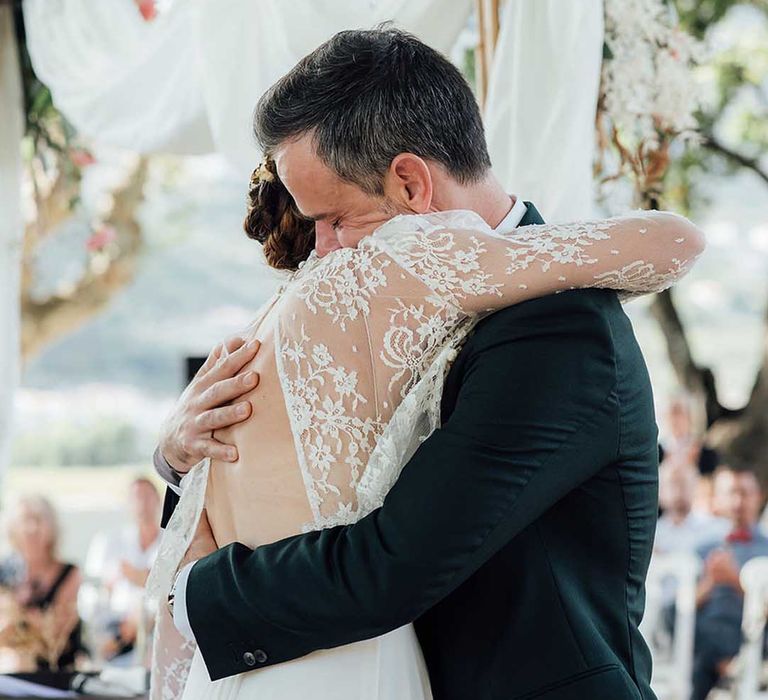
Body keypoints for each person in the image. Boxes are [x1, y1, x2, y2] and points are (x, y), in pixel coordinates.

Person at [149, 28, 705, 700]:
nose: (322, 252)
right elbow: (310, 493)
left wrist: (191, 596)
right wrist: (183, 460)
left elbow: (396, 563)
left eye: (335, 220)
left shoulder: (557, 329)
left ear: (410, 182)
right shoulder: (379, 306)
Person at [691, 468, 768, 700]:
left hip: (752, 646)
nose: (738, 501)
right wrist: (708, 584)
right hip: (702, 650)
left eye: (745, 493)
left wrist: (736, 580)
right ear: (717, 498)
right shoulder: (701, 548)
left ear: (759, 496)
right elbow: (675, 612)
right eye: (731, 493)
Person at [0, 495, 82, 672]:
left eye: (38, 519)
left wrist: (17, 617)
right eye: (25, 520)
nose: (32, 528)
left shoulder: (69, 573)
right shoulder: (4, 572)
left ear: (51, 527)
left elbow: (55, 635)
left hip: (57, 673)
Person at [85, 477, 160, 661]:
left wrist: (137, 576)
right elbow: (94, 589)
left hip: (157, 626)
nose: (142, 503)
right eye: (136, 497)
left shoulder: (171, 542)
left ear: (158, 500)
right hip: (114, 626)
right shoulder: (109, 541)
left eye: (147, 496)